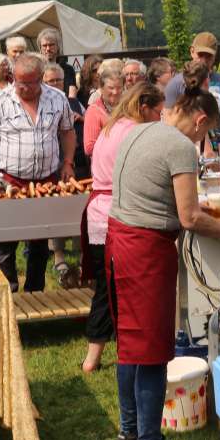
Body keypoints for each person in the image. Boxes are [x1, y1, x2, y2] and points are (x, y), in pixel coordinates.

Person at [107, 62, 220, 440]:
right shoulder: (178, 146)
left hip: (120, 241)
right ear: (201, 119)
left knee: (130, 346)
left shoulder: (137, 129)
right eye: (203, 133)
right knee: (154, 352)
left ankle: (130, 431)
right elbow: (190, 217)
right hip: (146, 250)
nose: (200, 139)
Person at [79, 82, 165, 373]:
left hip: (100, 214)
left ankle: (100, 355)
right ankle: (97, 356)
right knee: (114, 289)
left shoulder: (113, 126)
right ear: (144, 107)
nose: (160, 118)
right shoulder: (131, 131)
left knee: (108, 288)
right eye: (158, 111)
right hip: (114, 215)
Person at [0, 53, 75, 292]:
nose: (22, 87)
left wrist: (68, 162)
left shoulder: (58, 98)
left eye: (29, 83)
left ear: (40, 78)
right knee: (6, 243)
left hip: (45, 181)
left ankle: (34, 291)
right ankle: (8, 291)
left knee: (40, 242)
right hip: (10, 180)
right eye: (18, 81)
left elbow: (68, 132)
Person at [42, 61, 88, 287]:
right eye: (49, 81)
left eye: (57, 80)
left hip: (74, 163)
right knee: (55, 210)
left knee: (78, 209)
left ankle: (81, 258)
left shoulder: (72, 102)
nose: (54, 84)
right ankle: (58, 256)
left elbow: (79, 129)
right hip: (51, 164)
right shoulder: (41, 102)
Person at [164, 32, 220, 145]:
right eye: (200, 54)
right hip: (191, 143)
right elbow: (169, 122)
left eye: (208, 56)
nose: (203, 60)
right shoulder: (175, 84)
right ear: (192, 51)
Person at [83, 65, 124, 154]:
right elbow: (89, 148)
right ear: (101, 88)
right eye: (111, 88)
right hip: (105, 164)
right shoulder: (94, 111)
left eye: (119, 87)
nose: (115, 92)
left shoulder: (129, 107)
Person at [37, 28, 77, 98]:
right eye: (44, 45)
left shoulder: (68, 69)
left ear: (58, 47)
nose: (48, 49)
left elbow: (72, 94)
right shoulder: (36, 69)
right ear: (40, 48)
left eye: (51, 45)